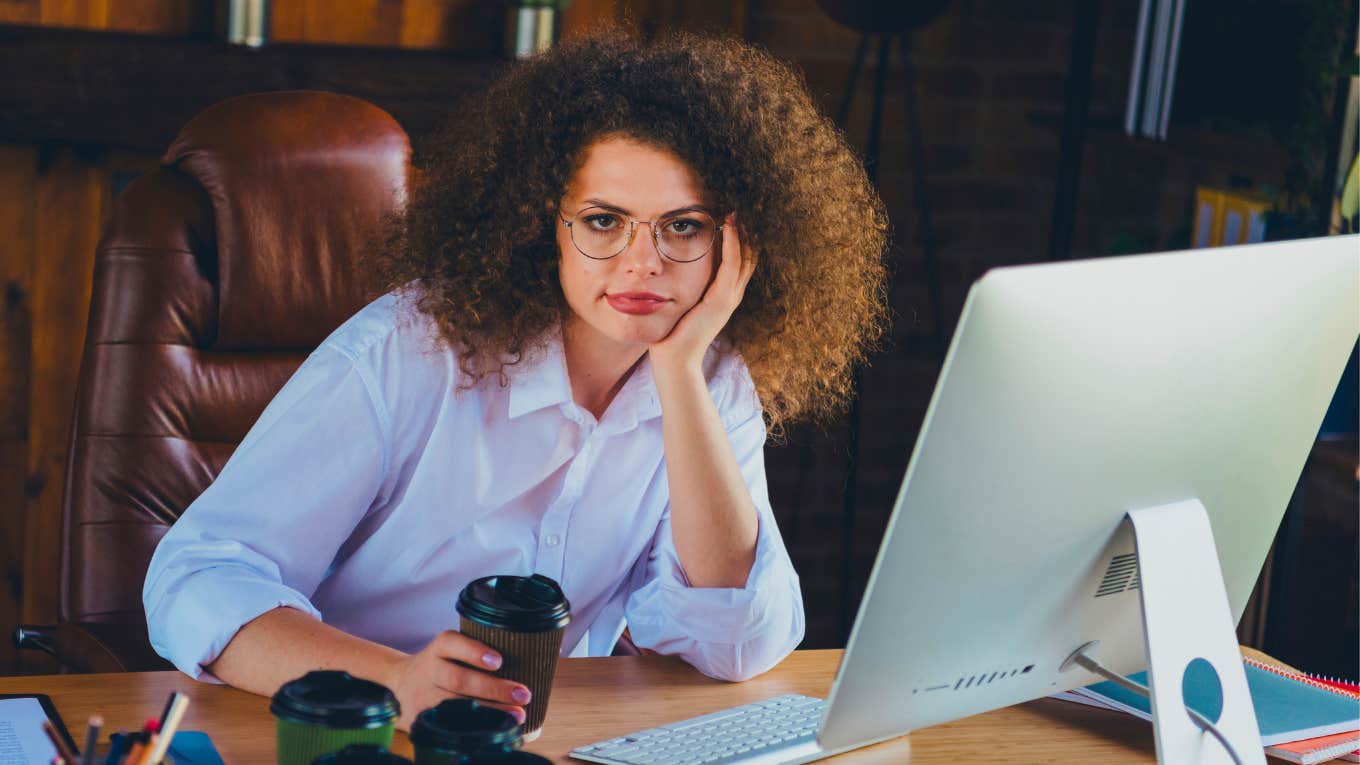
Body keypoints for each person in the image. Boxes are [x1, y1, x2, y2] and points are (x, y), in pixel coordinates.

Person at [143, 31, 890, 730]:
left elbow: (736, 639)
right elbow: (196, 577)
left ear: (740, 242)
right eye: (604, 221)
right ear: (544, 223)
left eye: (683, 226)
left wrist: (678, 370)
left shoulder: (709, 380)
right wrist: (397, 683)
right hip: (351, 731)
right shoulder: (411, 350)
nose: (643, 262)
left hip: (542, 738)